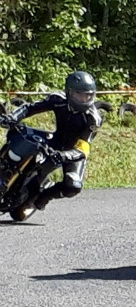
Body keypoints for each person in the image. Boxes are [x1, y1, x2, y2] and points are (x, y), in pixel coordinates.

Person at [2, 71, 102, 209]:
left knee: (73, 186)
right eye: (79, 94)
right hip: (55, 140)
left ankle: (45, 196)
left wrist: (64, 155)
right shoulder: (58, 99)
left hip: (73, 152)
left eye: (88, 95)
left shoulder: (93, 119)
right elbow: (29, 108)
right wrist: (12, 118)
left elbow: (83, 149)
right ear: (69, 92)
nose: (84, 99)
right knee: (20, 136)